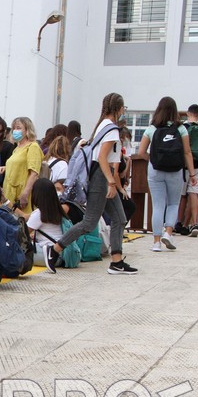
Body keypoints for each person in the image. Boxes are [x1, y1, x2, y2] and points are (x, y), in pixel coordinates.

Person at [44, 92, 136, 275]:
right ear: (119, 109)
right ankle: (55, 249)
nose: (123, 111)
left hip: (99, 177)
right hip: (102, 178)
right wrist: (111, 182)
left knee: (119, 218)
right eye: (123, 108)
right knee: (89, 222)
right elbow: (103, 158)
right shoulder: (112, 129)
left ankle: (116, 261)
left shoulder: (102, 125)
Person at [137, 97, 196, 252]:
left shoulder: (152, 128)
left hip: (155, 171)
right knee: (173, 204)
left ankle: (156, 242)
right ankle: (168, 233)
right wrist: (192, 173)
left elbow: (141, 152)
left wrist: (153, 159)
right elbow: (188, 152)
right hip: (175, 171)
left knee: (158, 205)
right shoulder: (181, 128)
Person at [176, 104, 198, 236]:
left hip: (184, 166)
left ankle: (179, 223)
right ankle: (194, 223)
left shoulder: (183, 128)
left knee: (182, 195)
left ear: (188, 113)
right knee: (194, 193)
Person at [3, 117, 43, 215]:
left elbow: (34, 173)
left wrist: (25, 194)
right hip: (9, 192)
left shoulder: (32, 146)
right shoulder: (17, 148)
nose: (15, 131)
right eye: (14, 128)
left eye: (18, 128)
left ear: (27, 130)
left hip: (22, 194)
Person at [25, 179, 67, 266]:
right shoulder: (58, 210)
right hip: (61, 255)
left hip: (49, 256)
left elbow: (22, 233)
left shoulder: (39, 213)